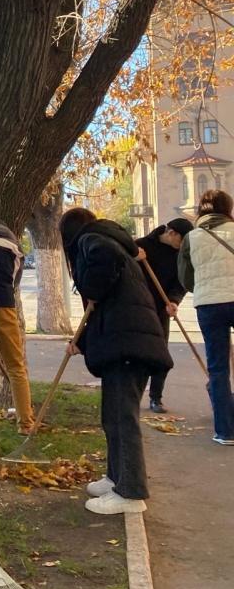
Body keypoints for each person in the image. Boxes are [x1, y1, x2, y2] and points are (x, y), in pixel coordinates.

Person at [59, 208, 173, 514]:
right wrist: (81, 342)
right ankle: (116, 477)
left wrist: (91, 286)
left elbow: (101, 265)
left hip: (128, 345)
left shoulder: (92, 239)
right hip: (124, 341)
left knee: (123, 418)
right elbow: (105, 304)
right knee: (112, 415)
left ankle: (131, 493)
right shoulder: (115, 242)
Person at [178, 189, 234, 445]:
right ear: (228, 209)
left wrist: (203, 286)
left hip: (209, 304)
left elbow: (185, 278)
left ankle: (225, 431)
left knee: (218, 368)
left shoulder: (191, 238)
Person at [135, 217, 193, 413]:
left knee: (160, 355)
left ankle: (156, 398)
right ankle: (133, 397)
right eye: (182, 240)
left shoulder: (180, 255)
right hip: (139, 308)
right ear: (172, 233)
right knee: (140, 354)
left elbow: (181, 282)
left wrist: (174, 300)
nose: (182, 245)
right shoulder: (141, 246)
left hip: (162, 308)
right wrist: (134, 257)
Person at [0, 222, 35, 433]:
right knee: (16, 366)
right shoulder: (14, 249)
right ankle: (25, 422)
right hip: (4, 305)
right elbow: (15, 281)